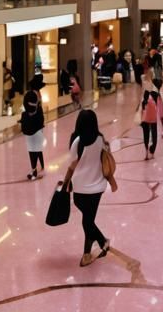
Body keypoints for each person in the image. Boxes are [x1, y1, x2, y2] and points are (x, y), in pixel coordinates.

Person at [61, 109, 116, 267]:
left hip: (80, 186)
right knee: (88, 219)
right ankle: (101, 240)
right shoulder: (101, 139)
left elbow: (72, 164)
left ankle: (87, 253)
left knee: (87, 220)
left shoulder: (77, 141)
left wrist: (66, 182)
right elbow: (107, 157)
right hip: (97, 186)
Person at [20, 89, 45, 180]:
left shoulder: (35, 109)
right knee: (35, 149)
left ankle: (35, 169)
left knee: (34, 149)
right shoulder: (35, 109)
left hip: (34, 130)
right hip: (34, 130)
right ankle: (36, 168)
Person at [140, 90, 163, 159]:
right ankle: (152, 151)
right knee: (154, 136)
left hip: (145, 121)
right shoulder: (154, 101)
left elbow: (142, 112)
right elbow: (160, 111)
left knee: (146, 137)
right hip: (153, 120)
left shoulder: (144, 101)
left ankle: (146, 152)